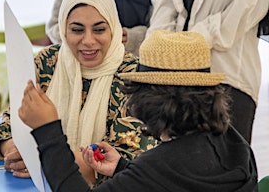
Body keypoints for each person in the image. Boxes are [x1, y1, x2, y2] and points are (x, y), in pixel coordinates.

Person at [19, 30, 258, 192]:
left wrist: (47, 129)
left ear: (148, 100)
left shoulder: (160, 164)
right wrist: (123, 169)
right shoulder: (233, 142)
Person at [0, 0, 157, 185]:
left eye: (99, 30)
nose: (88, 41)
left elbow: (130, 154)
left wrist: (45, 162)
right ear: (63, 30)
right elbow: (12, 121)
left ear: (115, 29)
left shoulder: (133, 76)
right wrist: (14, 151)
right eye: (77, 30)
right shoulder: (48, 63)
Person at [146, 0, 269, 144]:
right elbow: (161, 16)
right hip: (174, 82)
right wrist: (162, 47)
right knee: (178, 161)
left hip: (227, 80)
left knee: (224, 162)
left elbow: (240, 15)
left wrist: (185, 42)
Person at [46, 0, 152, 56]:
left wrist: (131, 37)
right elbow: (54, 26)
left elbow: (162, 31)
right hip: (80, 62)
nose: (89, 40)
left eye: (100, 29)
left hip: (134, 59)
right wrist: (76, 35)